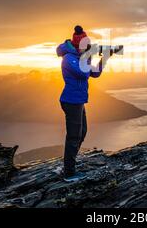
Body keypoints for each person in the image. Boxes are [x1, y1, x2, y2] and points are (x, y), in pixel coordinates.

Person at [56, 25, 110, 182]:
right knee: (73, 136)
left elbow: (95, 73)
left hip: (78, 101)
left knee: (82, 132)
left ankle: (69, 163)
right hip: (71, 101)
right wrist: (89, 55)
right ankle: (69, 173)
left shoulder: (80, 57)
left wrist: (105, 57)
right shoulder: (68, 58)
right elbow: (83, 73)